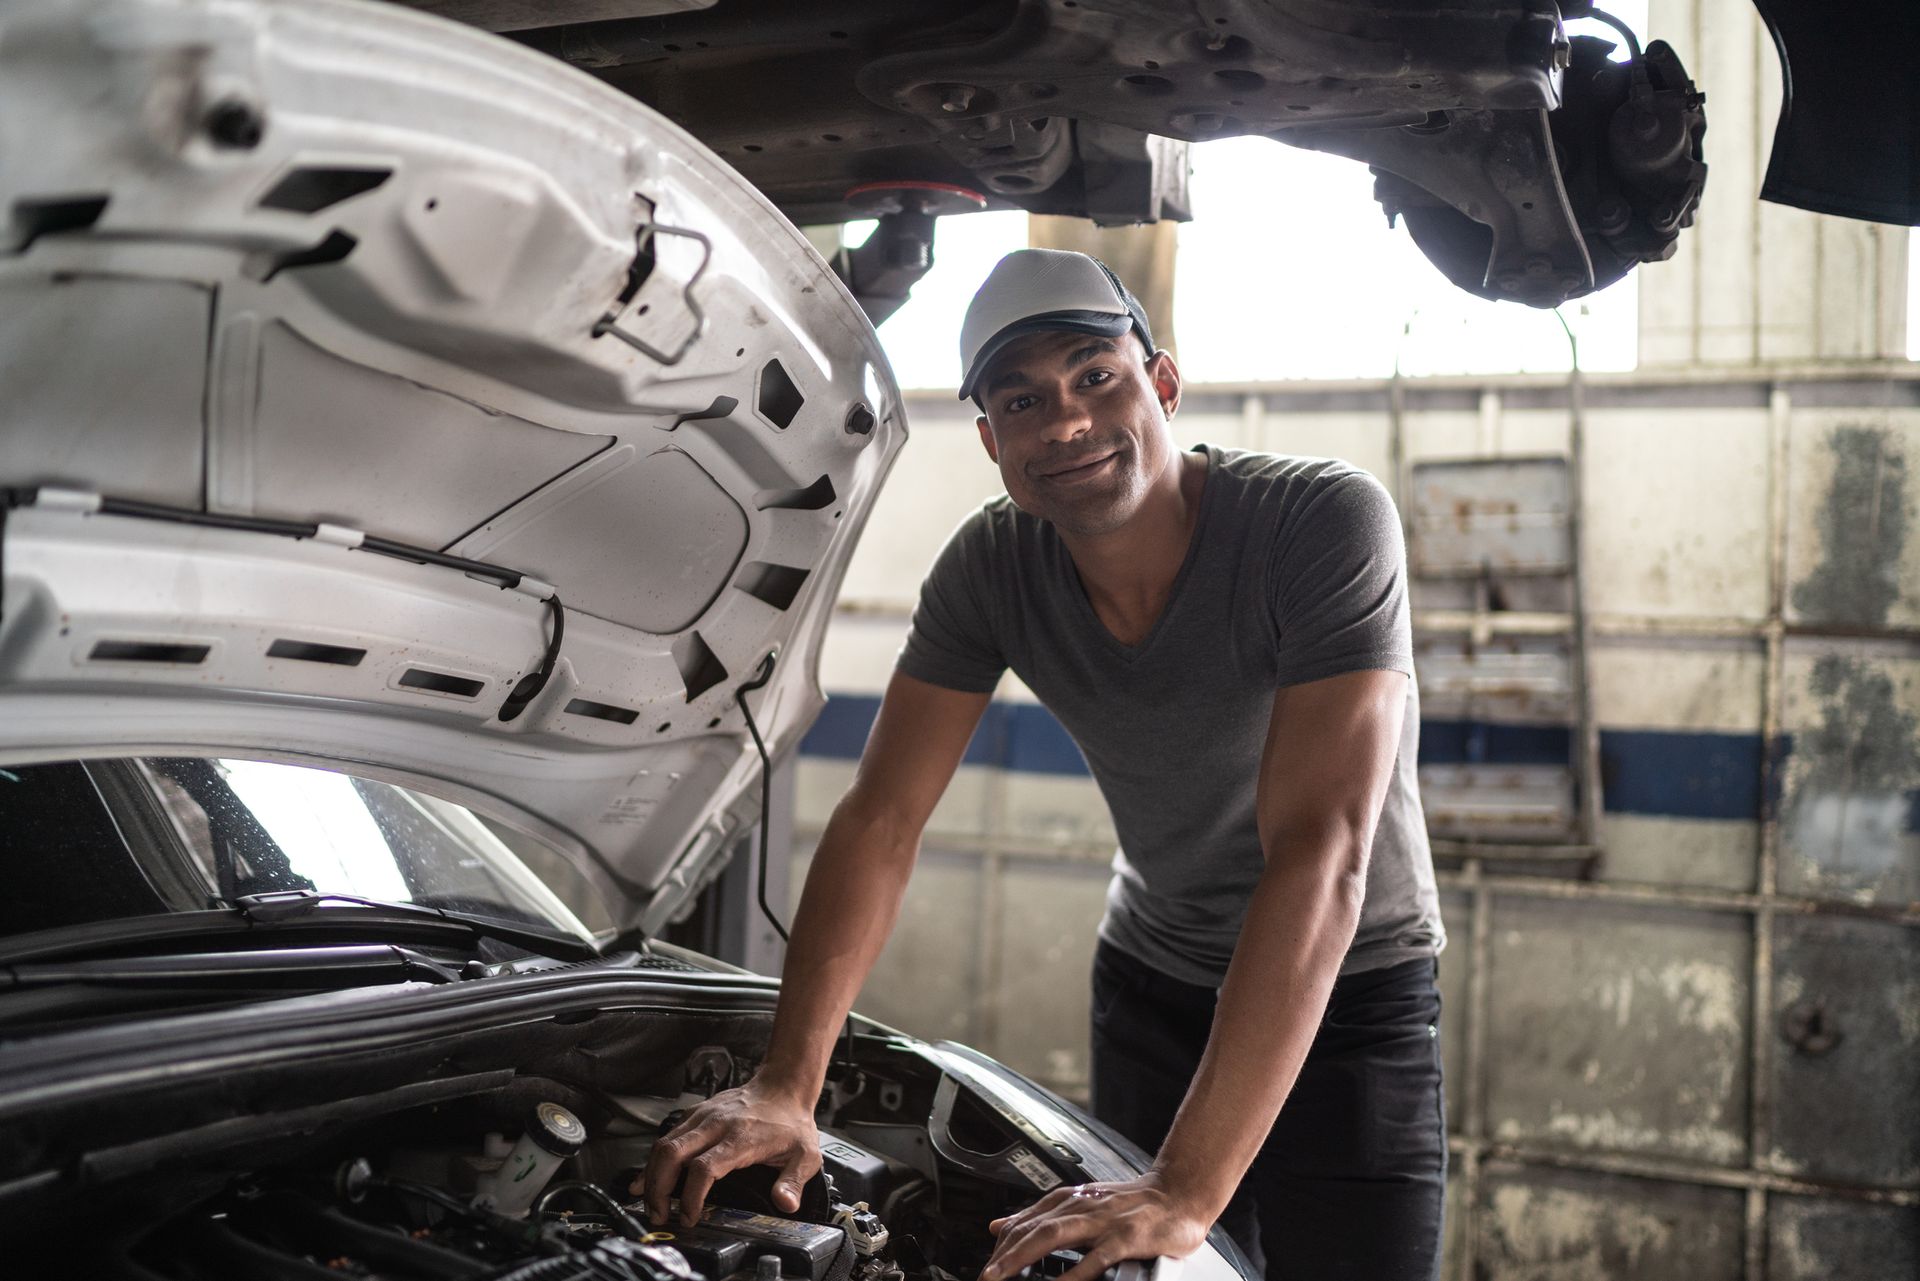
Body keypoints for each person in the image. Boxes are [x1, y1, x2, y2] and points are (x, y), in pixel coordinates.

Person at [638, 249, 1448, 1281]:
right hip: (1153, 981)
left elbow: (1321, 851)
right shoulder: (991, 568)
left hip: (1352, 991)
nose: (1065, 423)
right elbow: (882, 819)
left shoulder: (1319, 523)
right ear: (991, 439)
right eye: (1022, 400)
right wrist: (786, 1085)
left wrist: (1183, 1187)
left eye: (1095, 377)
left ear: (1162, 383)